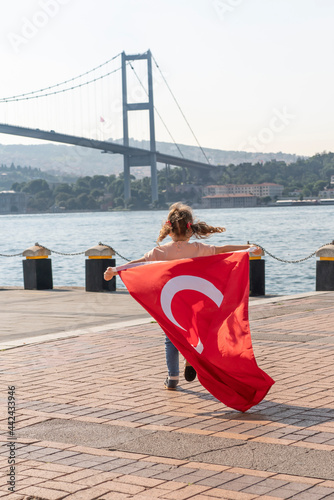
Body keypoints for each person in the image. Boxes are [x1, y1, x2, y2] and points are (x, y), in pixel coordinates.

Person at [104, 202, 261, 390]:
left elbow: (137, 264)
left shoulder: (160, 251)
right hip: (194, 302)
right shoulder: (198, 248)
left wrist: (115, 270)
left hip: (171, 305)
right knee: (193, 333)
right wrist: (248, 248)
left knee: (170, 338)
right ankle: (190, 359)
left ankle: (172, 377)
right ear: (190, 230)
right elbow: (222, 250)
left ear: (168, 230)